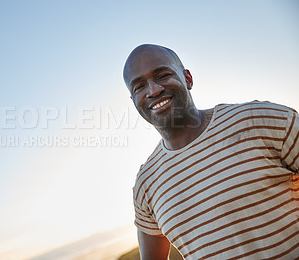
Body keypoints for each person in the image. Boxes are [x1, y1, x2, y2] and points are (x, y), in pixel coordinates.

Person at [123, 44, 299, 260]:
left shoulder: (261, 120)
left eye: (163, 75)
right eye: (139, 86)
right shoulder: (146, 183)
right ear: (133, 100)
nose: (153, 90)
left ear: (188, 78)